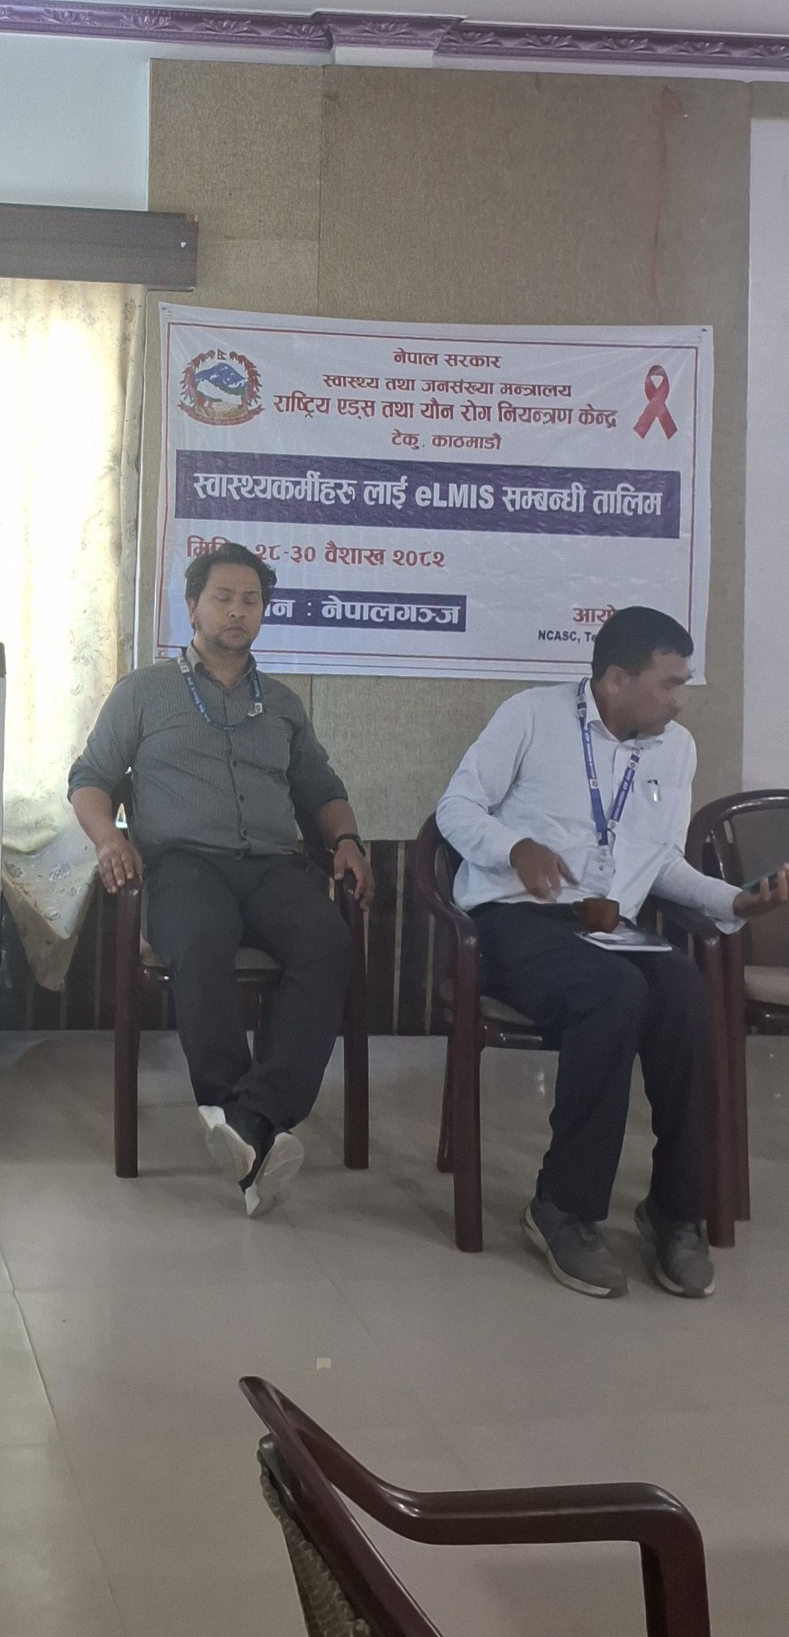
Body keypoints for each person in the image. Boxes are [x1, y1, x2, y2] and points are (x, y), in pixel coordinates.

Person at [436, 604, 789, 1302]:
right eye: (669, 683)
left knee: (682, 991)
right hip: (515, 919)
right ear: (616, 679)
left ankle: (674, 1209)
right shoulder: (530, 716)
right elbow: (456, 807)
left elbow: (662, 862)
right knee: (614, 992)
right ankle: (562, 1207)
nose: (680, 699)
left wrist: (735, 901)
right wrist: (516, 846)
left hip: (604, 923)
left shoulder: (675, 748)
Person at [69, 541, 370, 1215]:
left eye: (250, 601)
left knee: (326, 940)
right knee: (201, 938)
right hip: (182, 864)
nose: (237, 612)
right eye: (223, 598)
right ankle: (244, 1113)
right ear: (192, 607)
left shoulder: (283, 704)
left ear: (263, 611)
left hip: (272, 865)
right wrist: (109, 838)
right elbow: (89, 778)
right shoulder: (143, 692)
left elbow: (321, 788)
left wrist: (347, 840)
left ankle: (248, 1119)